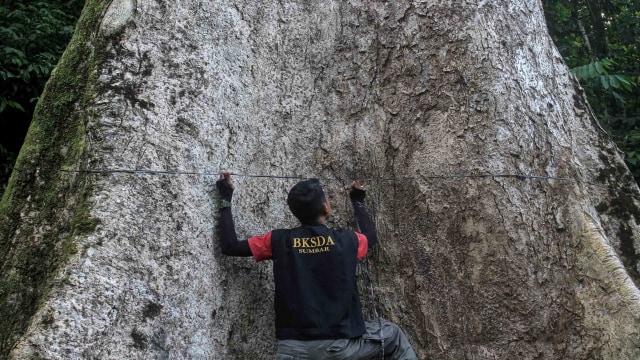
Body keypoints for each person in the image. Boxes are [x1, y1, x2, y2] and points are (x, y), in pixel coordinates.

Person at [216, 171, 417, 359]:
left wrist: (225, 197)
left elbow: (230, 246)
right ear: (326, 207)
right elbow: (370, 237)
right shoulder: (347, 241)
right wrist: (358, 203)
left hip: (291, 350)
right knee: (393, 335)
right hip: (337, 347)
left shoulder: (278, 241)